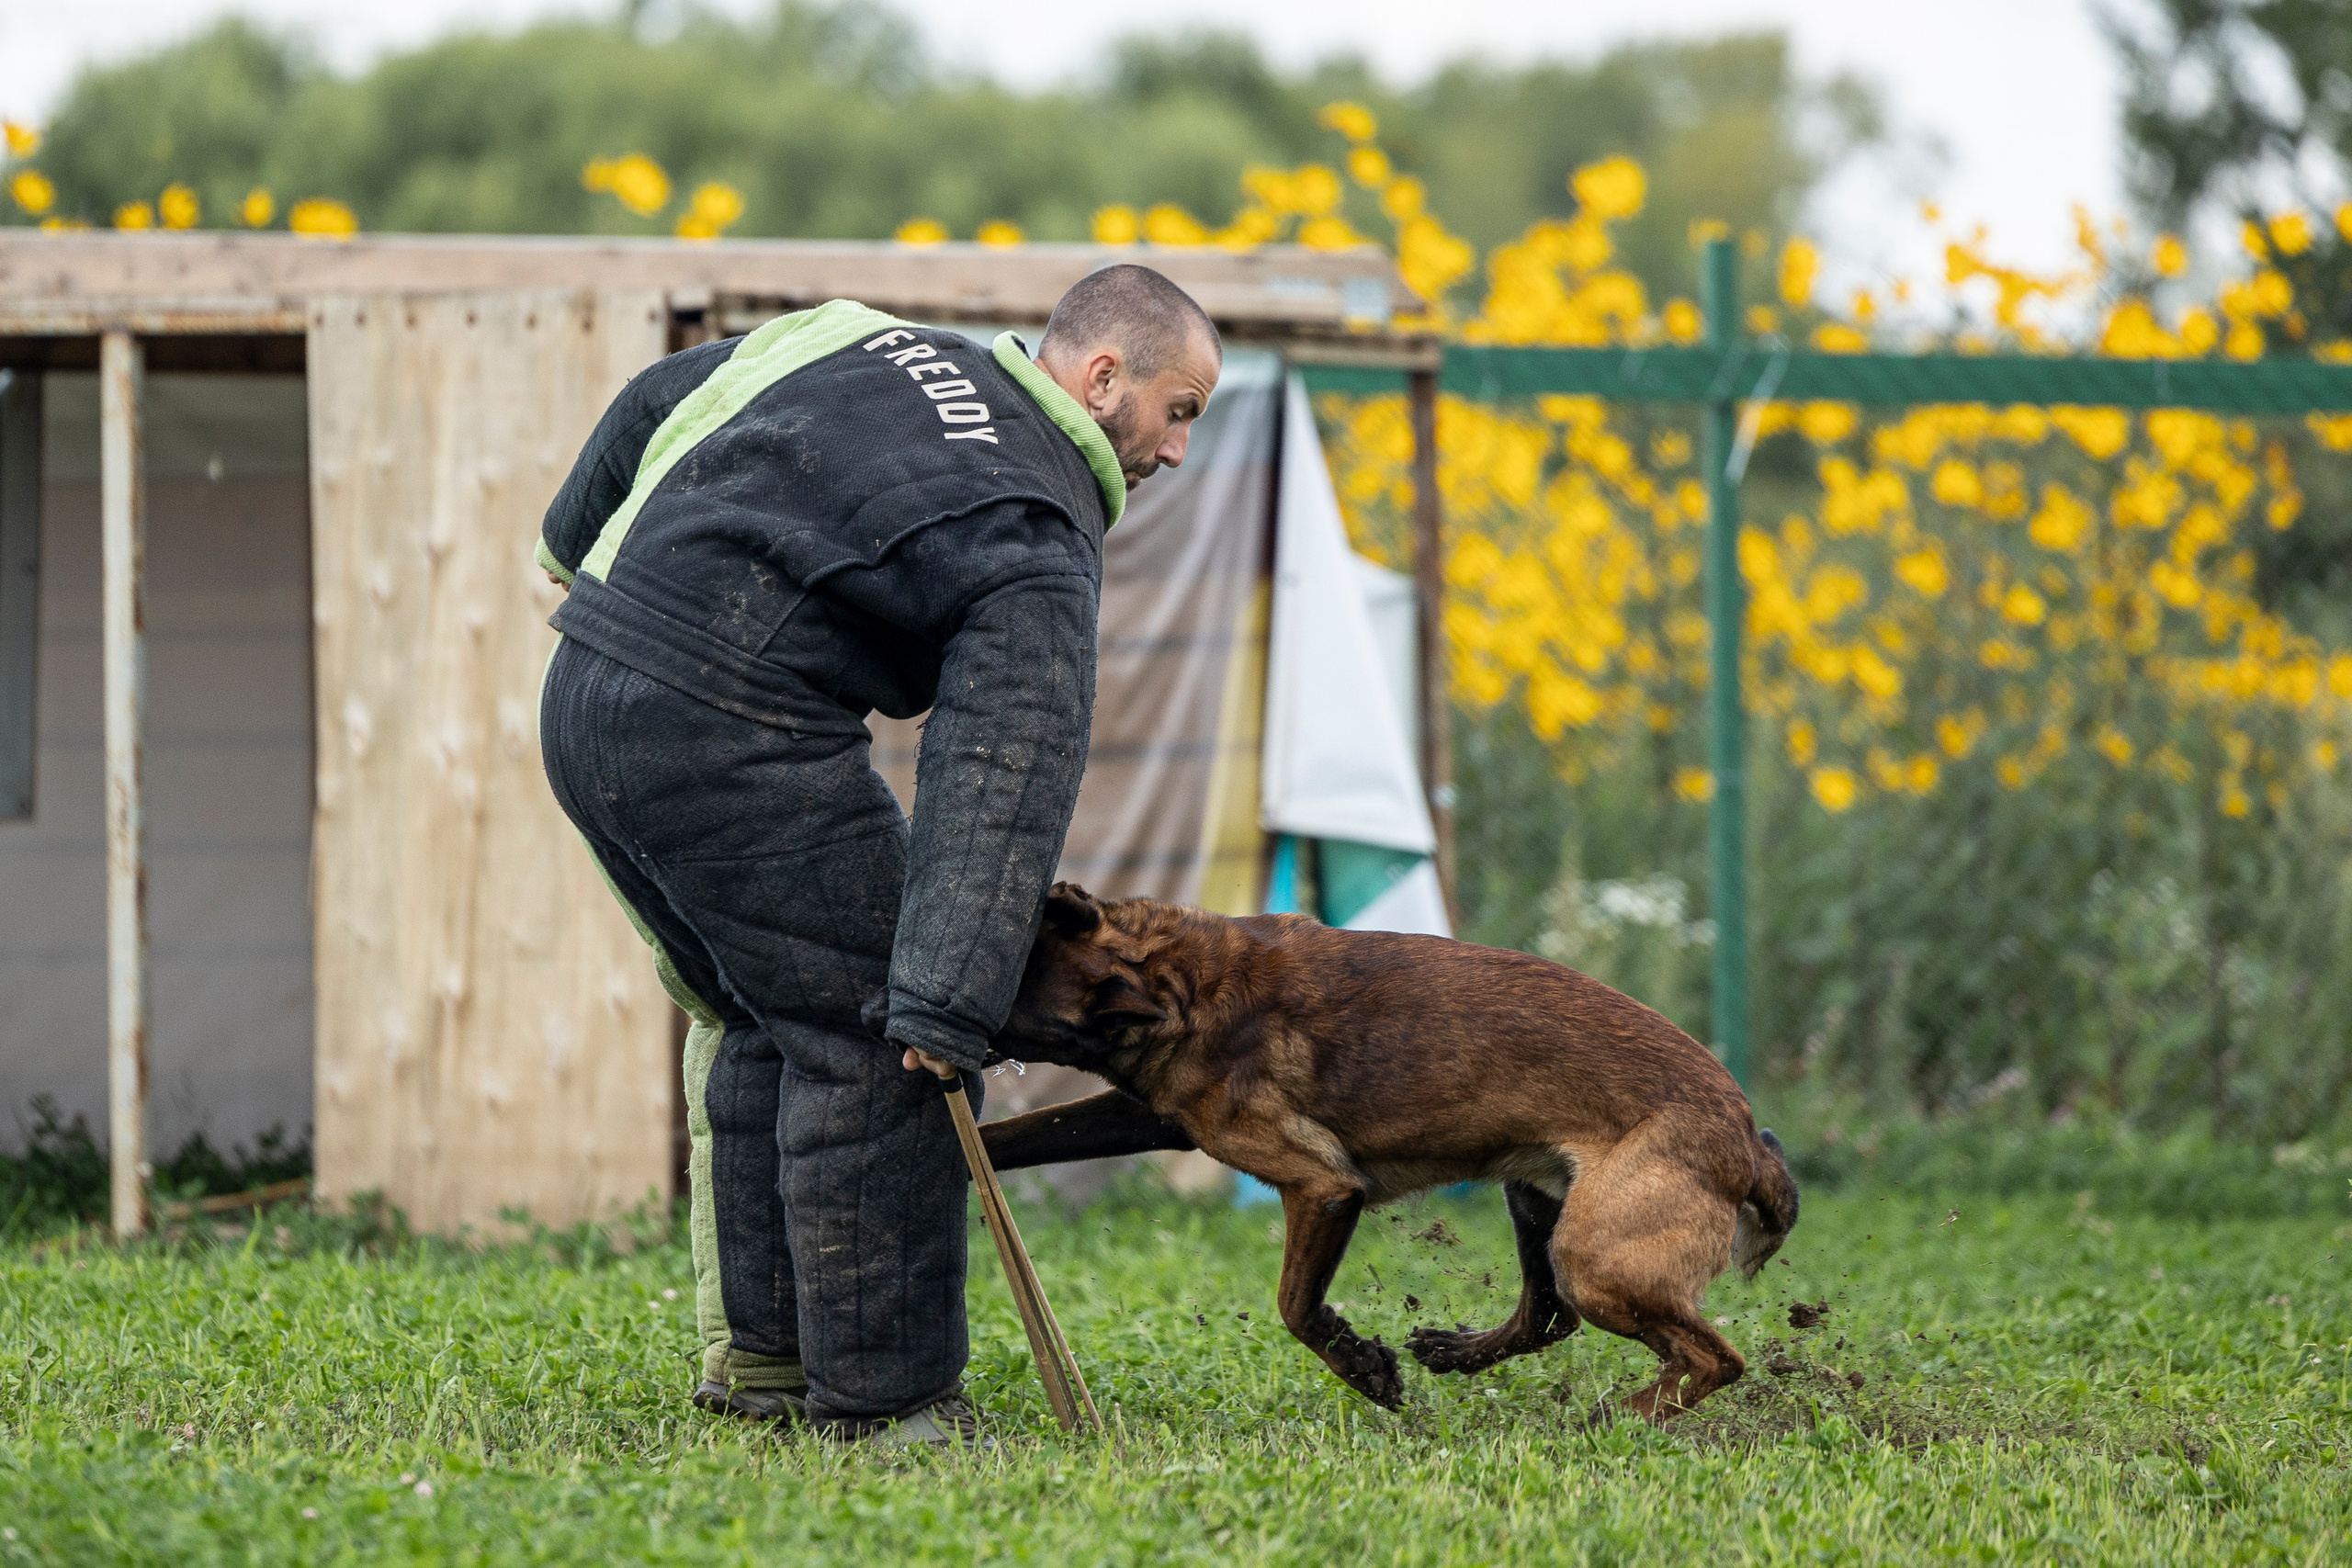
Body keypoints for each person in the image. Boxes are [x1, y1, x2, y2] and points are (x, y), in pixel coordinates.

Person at [535, 265, 1221, 1449]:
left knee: (769, 1012)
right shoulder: (1036, 519)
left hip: (588, 688)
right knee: (875, 1035)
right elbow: (1005, 768)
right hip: (725, 729)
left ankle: (767, 1365)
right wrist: (945, 1006)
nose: (1174, 452)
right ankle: (891, 1407)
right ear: (1104, 379)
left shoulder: (869, 343)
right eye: (1180, 412)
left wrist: (570, 550)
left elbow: (665, 392)